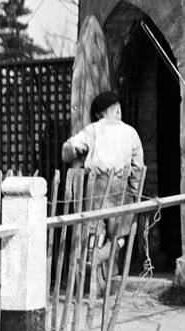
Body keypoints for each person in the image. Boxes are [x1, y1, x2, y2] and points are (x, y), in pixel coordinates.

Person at [61, 90, 145, 264]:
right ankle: (103, 255)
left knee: (95, 227)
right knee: (122, 231)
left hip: (96, 183)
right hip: (119, 185)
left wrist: (74, 155)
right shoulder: (130, 132)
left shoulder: (92, 130)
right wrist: (136, 191)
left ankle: (93, 255)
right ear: (117, 110)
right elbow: (138, 167)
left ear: (98, 115)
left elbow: (69, 148)